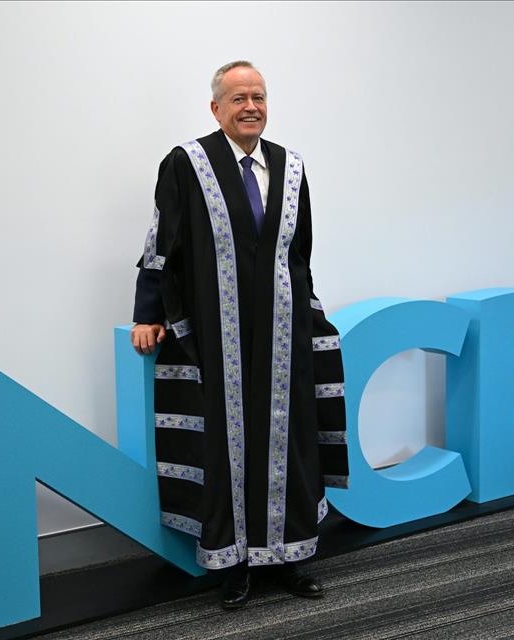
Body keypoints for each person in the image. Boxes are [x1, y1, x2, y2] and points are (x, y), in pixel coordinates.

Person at [131, 61, 348, 609]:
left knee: (287, 437)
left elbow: (300, 252)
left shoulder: (291, 166)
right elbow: (162, 242)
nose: (251, 107)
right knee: (227, 442)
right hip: (218, 329)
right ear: (216, 108)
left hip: (282, 330)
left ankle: (292, 556)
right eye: (238, 98)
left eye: (259, 97)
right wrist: (148, 312)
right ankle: (235, 565)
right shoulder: (187, 163)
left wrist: (310, 312)